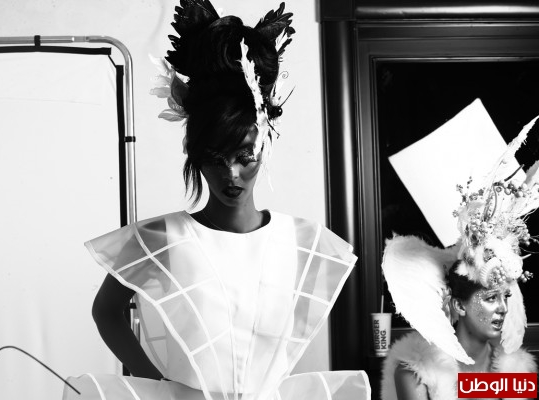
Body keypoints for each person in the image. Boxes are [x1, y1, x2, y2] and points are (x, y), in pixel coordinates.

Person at [63, 1, 370, 399]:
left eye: (245, 156)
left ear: (265, 147)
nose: (231, 174)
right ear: (195, 155)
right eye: (214, 157)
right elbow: (106, 311)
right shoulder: (161, 237)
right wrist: (154, 383)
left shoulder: (305, 243)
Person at [380, 118, 539, 400]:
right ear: (458, 305)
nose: (503, 308)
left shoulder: (518, 371)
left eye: (505, 296)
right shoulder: (415, 373)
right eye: (490, 298)